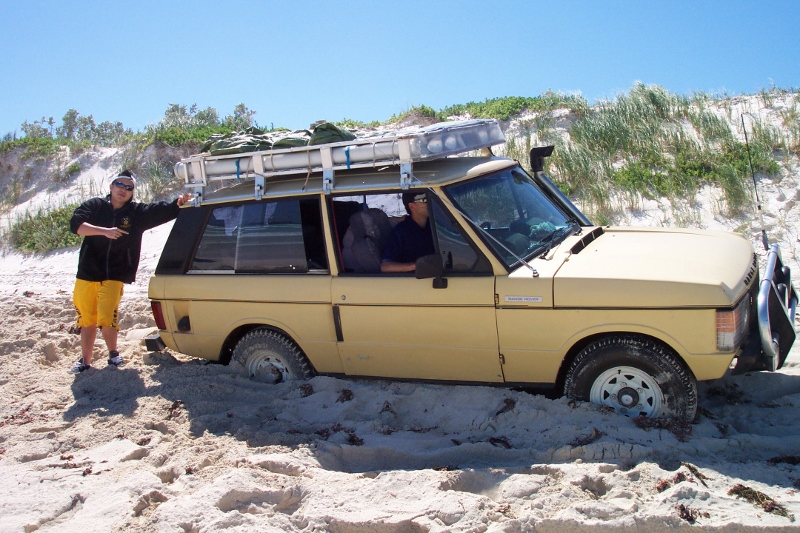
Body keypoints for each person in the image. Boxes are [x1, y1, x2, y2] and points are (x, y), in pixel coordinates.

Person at [69, 170, 192, 373]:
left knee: (108, 318)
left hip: (114, 275)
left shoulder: (135, 213)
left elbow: (161, 211)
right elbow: (77, 225)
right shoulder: (95, 206)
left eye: (129, 187)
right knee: (87, 320)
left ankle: (113, 355)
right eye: (120, 184)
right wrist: (104, 232)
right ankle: (85, 361)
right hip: (87, 273)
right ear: (111, 186)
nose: (123, 190)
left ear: (133, 192)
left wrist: (178, 203)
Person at [380, 191, 436, 272]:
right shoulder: (400, 232)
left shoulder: (435, 226)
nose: (430, 202)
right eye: (425, 200)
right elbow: (386, 266)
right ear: (412, 206)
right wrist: (416, 266)